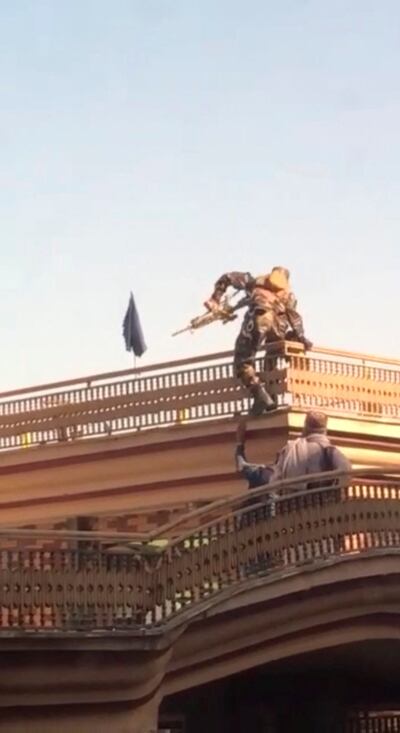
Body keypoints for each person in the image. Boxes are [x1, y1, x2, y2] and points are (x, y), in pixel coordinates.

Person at [204, 266, 312, 415]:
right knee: (272, 355)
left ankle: (261, 397)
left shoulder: (252, 281)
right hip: (278, 326)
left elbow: (227, 277)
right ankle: (271, 398)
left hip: (260, 317)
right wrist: (301, 337)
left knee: (243, 362)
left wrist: (215, 298)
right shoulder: (288, 295)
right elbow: (294, 317)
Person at [235, 411, 351, 489]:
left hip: (292, 507)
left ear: (305, 427)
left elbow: (270, 477)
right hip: (322, 507)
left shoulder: (289, 450)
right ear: (325, 430)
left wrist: (240, 443)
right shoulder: (329, 450)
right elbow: (346, 471)